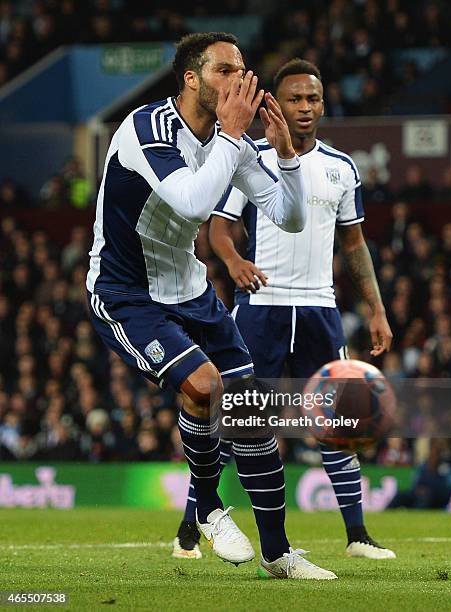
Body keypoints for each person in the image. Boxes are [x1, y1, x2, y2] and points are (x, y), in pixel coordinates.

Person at [86, 33, 336, 581]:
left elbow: (289, 217)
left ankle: (279, 555)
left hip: (192, 292)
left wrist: (287, 155)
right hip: (126, 294)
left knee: (251, 416)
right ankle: (207, 507)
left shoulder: (235, 143)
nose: (240, 80)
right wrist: (232, 135)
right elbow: (194, 201)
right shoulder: (145, 129)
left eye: (243, 69)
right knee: (203, 386)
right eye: (225, 71)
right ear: (191, 79)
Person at [177, 58, 396, 561]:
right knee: (240, 427)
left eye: (312, 98)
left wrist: (377, 309)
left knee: (338, 424)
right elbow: (217, 228)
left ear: (323, 104)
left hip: (320, 309)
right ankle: (191, 529)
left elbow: (356, 244)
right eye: (294, 98)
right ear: (275, 103)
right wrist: (232, 261)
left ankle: (357, 537)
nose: (304, 107)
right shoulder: (248, 156)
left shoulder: (342, 167)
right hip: (261, 310)